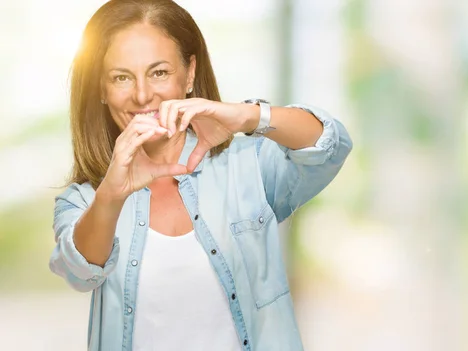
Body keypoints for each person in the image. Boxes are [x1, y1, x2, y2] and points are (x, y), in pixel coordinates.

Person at [49, 0, 352, 350]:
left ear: (189, 73)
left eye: (159, 72)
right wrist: (112, 194)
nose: (143, 94)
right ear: (101, 89)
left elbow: (331, 145)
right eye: (121, 77)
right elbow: (79, 273)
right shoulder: (86, 200)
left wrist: (247, 116)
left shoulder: (246, 165)